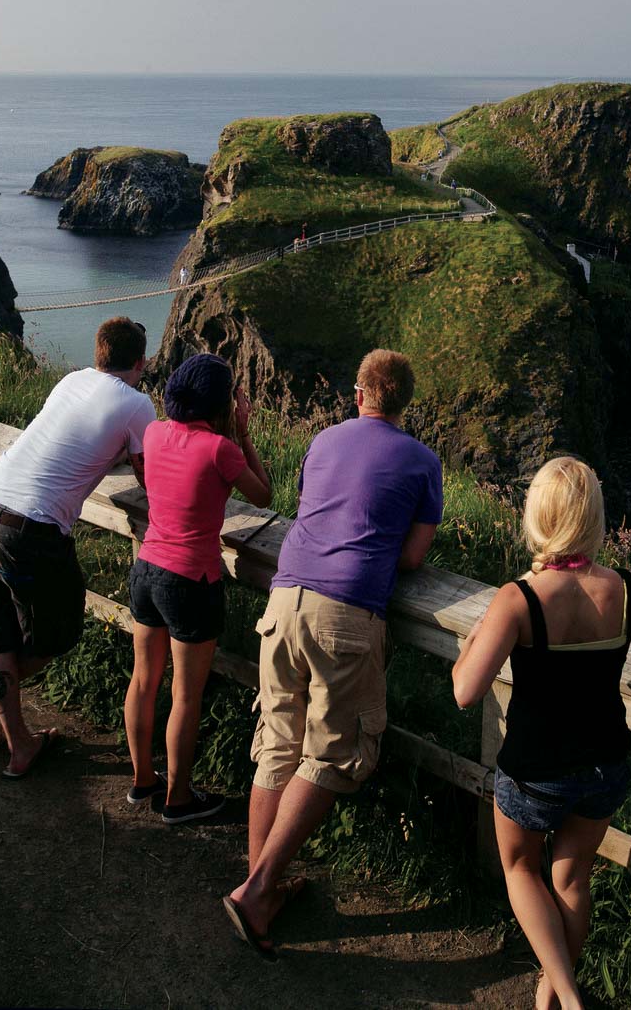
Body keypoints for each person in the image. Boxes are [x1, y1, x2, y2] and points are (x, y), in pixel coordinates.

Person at [451, 457, 631, 1010]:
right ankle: (551, 992)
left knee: (521, 868)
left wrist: (474, 641)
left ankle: (566, 995)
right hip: (603, 767)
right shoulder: (628, 590)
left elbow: (465, 691)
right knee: (571, 881)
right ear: (593, 518)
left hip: (533, 772)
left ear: (537, 516)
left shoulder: (517, 598)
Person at [223, 348, 443, 958]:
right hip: (346, 611)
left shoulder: (322, 441)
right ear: (405, 401)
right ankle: (258, 890)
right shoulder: (424, 462)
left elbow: (308, 509)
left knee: (278, 737)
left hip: (284, 597)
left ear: (358, 393)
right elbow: (412, 558)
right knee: (333, 751)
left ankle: (257, 884)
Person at [0, 318, 156, 780]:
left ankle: (7, 733)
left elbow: (72, 436)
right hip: (27, 530)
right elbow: (149, 478)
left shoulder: (71, 380)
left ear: (99, 353)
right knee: (58, 631)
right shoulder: (138, 404)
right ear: (141, 361)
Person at [124, 354, 271, 823]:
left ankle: (143, 779)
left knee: (144, 680)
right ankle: (178, 799)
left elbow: (151, 479)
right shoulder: (220, 449)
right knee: (185, 695)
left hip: (146, 567)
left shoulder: (154, 433)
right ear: (222, 402)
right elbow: (264, 495)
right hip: (192, 579)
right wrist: (244, 432)